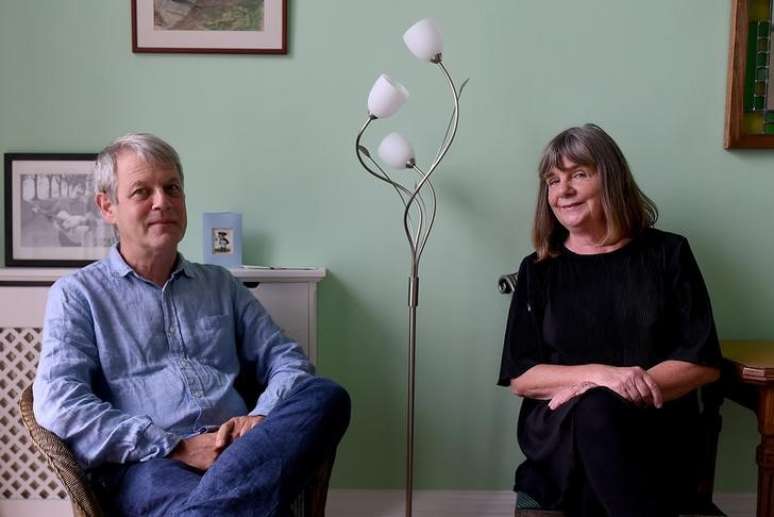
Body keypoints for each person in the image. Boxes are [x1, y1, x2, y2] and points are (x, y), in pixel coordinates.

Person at [33, 133, 351, 517]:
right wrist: (175, 446)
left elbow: (286, 361)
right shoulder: (77, 294)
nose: (162, 202)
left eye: (172, 188)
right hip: (149, 465)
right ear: (107, 206)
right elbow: (59, 402)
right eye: (141, 192)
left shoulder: (220, 285)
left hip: (243, 451)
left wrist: (258, 421)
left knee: (326, 396)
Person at [498, 124, 722, 517]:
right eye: (553, 180)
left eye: (578, 175)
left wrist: (615, 387)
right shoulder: (538, 270)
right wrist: (603, 376)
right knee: (593, 413)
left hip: (656, 424)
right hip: (559, 431)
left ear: (611, 179)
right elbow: (522, 376)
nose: (562, 191)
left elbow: (700, 361)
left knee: (598, 416)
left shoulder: (669, 254)